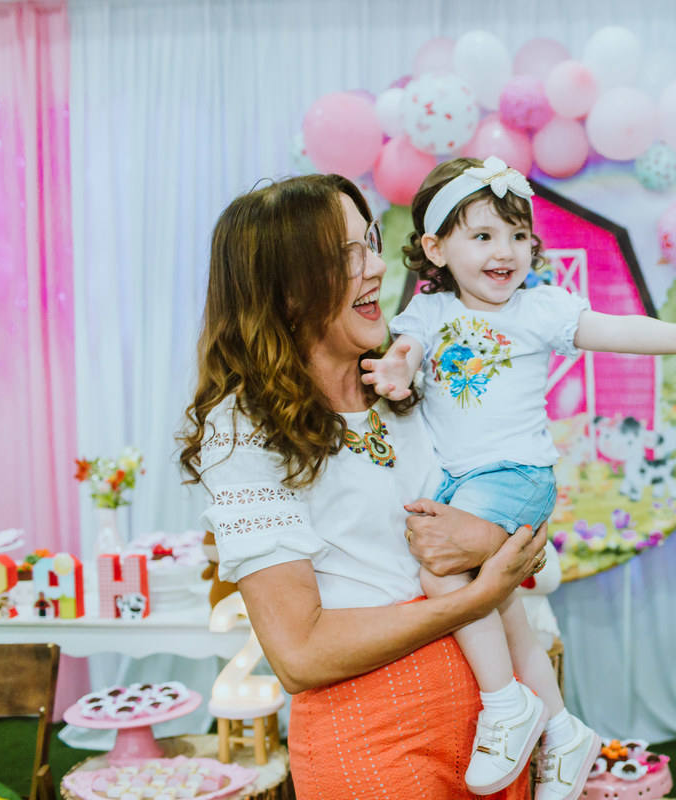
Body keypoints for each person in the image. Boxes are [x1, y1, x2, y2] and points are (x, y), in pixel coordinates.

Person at [363, 156, 676, 799]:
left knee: (439, 567)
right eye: (483, 236)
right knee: (494, 592)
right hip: (457, 484)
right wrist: (399, 370)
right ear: (435, 247)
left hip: (516, 476)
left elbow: (614, 329)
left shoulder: (537, 307)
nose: (506, 251)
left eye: (518, 235)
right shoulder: (427, 314)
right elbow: (402, 352)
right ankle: (563, 728)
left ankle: (505, 705)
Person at [178, 173, 548, 800]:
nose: (377, 266)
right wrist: (479, 593)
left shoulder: (406, 383)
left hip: (493, 732)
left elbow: (516, 503)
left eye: (372, 242)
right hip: (375, 745)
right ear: (287, 288)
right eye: (348, 254)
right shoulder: (242, 428)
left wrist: (488, 537)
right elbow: (300, 654)